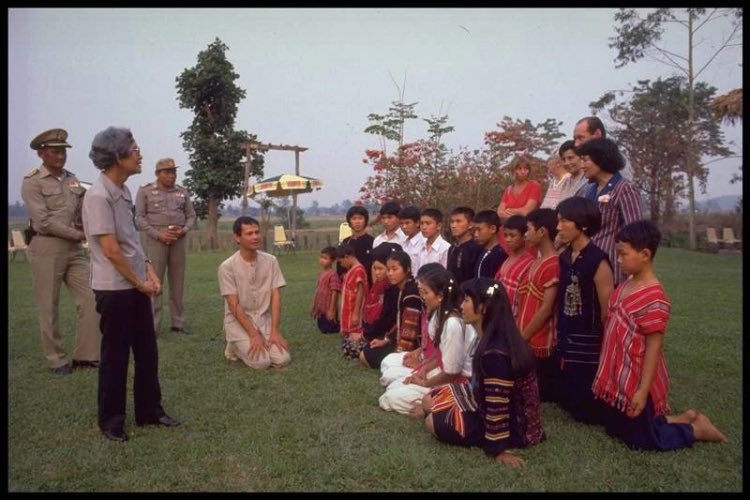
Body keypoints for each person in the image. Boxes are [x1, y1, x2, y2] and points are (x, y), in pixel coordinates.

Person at [593, 220, 728, 449]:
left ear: (645, 254)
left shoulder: (654, 299)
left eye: (623, 254)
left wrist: (643, 391)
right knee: (615, 428)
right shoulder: (627, 284)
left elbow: (654, 349)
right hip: (620, 374)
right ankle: (681, 418)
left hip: (636, 377)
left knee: (640, 440)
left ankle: (697, 429)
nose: (619, 260)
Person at [83, 126, 180, 442]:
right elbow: (111, 249)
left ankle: (150, 411)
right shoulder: (98, 196)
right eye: (135, 149)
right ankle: (111, 420)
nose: (140, 155)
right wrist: (140, 282)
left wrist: (149, 270)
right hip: (115, 289)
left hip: (136, 285)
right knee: (116, 356)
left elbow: (131, 241)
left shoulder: (123, 191)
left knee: (147, 351)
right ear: (116, 156)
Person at [423, 278, 545, 468]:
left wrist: (498, 449)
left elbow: (498, 406)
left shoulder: (496, 354)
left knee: (432, 422)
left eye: (466, 301)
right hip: (483, 400)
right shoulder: (489, 337)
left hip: (514, 426)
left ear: (483, 308)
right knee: (428, 400)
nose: (461, 306)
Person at [21, 127, 101, 375]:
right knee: (49, 305)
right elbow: (43, 221)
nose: (60, 156)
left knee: (91, 297)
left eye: (63, 152)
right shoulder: (33, 182)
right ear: (41, 154)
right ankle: (56, 359)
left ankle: (86, 355)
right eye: (55, 152)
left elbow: (82, 209)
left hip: (73, 249)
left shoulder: (72, 179)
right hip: (46, 246)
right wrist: (78, 235)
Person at [379, 266, 475, 416]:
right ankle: (427, 400)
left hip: (455, 383)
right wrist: (423, 370)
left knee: (389, 398)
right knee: (391, 383)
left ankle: (432, 406)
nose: (422, 297)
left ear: (440, 296)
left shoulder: (452, 324)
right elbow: (440, 354)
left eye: (425, 292)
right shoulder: (439, 313)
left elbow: (452, 373)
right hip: (442, 373)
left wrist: (424, 383)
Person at [555, 196, 613, 425]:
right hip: (566, 338)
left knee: (586, 413)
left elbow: (607, 312)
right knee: (566, 401)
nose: (558, 227)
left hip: (588, 346)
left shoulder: (598, 261)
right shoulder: (565, 256)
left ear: (584, 225)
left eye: (564, 221)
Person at [218, 216, 291, 369]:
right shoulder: (227, 267)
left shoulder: (271, 261)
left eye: (257, 232)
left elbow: (276, 296)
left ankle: (257, 341)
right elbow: (233, 304)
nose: (255, 237)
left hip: (263, 319)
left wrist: (275, 331)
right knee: (261, 362)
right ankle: (234, 346)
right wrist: (253, 335)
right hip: (239, 322)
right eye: (249, 234)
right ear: (237, 238)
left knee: (283, 359)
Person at [135, 157, 196, 335]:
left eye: (173, 172)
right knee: (155, 282)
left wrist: (184, 230)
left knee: (178, 282)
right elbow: (139, 217)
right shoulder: (145, 191)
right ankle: (152, 325)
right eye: (167, 172)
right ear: (158, 174)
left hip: (178, 239)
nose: (171, 175)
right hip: (156, 239)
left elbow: (191, 216)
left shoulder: (182, 192)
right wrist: (158, 235)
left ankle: (178, 322)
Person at [577, 137, 643, 286]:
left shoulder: (624, 189)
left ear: (600, 159)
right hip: (589, 266)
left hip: (613, 268)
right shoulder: (590, 190)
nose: (582, 166)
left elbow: (635, 233)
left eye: (585, 160)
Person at [516, 208, 560, 402]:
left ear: (542, 232)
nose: (525, 235)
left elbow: (546, 309)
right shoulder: (537, 261)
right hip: (526, 335)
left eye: (528, 229)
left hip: (539, 340)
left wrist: (523, 337)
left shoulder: (553, 264)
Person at [360, 245, 421, 369]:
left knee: (365, 355)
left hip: (413, 347)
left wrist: (398, 354)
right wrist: (386, 340)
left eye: (395, 269)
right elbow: (399, 323)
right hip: (397, 340)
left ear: (407, 269)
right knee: (367, 351)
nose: (390, 273)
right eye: (388, 269)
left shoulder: (411, 294)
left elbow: (409, 332)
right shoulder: (401, 289)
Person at [494, 215, 534, 321]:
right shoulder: (508, 259)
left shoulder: (529, 263)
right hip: (500, 316)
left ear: (524, 236)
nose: (508, 240)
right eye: (505, 235)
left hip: (515, 318)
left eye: (512, 236)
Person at [337, 243, 368, 358]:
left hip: (354, 309)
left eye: (341, 262)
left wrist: (356, 312)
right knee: (347, 340)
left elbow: (360, 291)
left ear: (347, 257)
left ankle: (358, 347)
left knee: (354, 333)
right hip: (348, 307)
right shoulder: (352, 270)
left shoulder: (359, 270)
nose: (341, 265)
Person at [497, 154, 542, 225]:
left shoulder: (534, 186)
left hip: (525, 227)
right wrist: (515, 212)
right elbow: (500, 211)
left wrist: (508, 211)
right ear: (514, 170)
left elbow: (526, 211)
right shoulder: (509, 189)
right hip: (507, 227)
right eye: (519, 169)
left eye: (525, 169)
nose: (523, 172)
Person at [446, 206, 483, 285]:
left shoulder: (477, 248)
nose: (453, 225)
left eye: (458, 221)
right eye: (452, 222)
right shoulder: (452, 248)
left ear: (470, 224)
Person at [338, 205, 374, 285]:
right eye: (354, 219)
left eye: (360, 218)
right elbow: (340, 266)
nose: (357, 222)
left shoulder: (372, 242)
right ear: (349, 221)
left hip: (367, 284)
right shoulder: (345, 242)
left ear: (365, 220)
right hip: (348, 284)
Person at [311, 246, 341, 334]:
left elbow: (335, 292)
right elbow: (318, 290)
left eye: (325, 258)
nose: (322, 260)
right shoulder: (321, 273)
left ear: (332, 260)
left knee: (329, 328)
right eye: (321, 257)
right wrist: (315, 305)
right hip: (321, 308)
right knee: (322, 328)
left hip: (328, 308)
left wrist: (332, 309)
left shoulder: (333, 275)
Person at [472, 210, 507, 279]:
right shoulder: (482, 251)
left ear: (493, 229)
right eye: (474, 230)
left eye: (479, 230)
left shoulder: (499, 255)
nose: (476, 234)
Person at [415, 207, 450, 275]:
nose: (424, 227)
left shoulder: (445, 248)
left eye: (428, 223)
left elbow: (445, 274)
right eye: (422, 223)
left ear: (439, 226)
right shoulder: (420, 245)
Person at [398, 205, 425, 276]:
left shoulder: (424, 243)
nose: (404, 227)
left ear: (417, 223)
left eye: (407, 223)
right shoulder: (402, 241)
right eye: (401, 223)